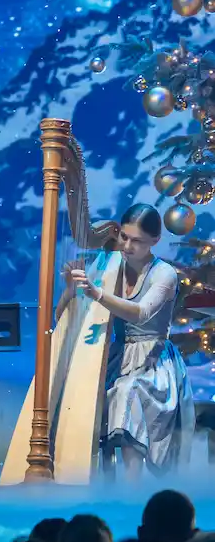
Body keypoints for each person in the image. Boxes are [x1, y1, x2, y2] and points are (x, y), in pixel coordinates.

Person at [67, 204, 195, 479]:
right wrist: (70, 290)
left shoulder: (164, 274)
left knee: (127, 391)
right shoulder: (109, 265)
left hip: (154, 361)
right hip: (118, 356)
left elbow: (141, 313)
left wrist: (98, 293)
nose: (126, 245)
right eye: (124, 237)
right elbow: (63, 315)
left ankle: (131, 487)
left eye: (136, 240)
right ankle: (97, 483)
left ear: (154, 241)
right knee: (83, 393)